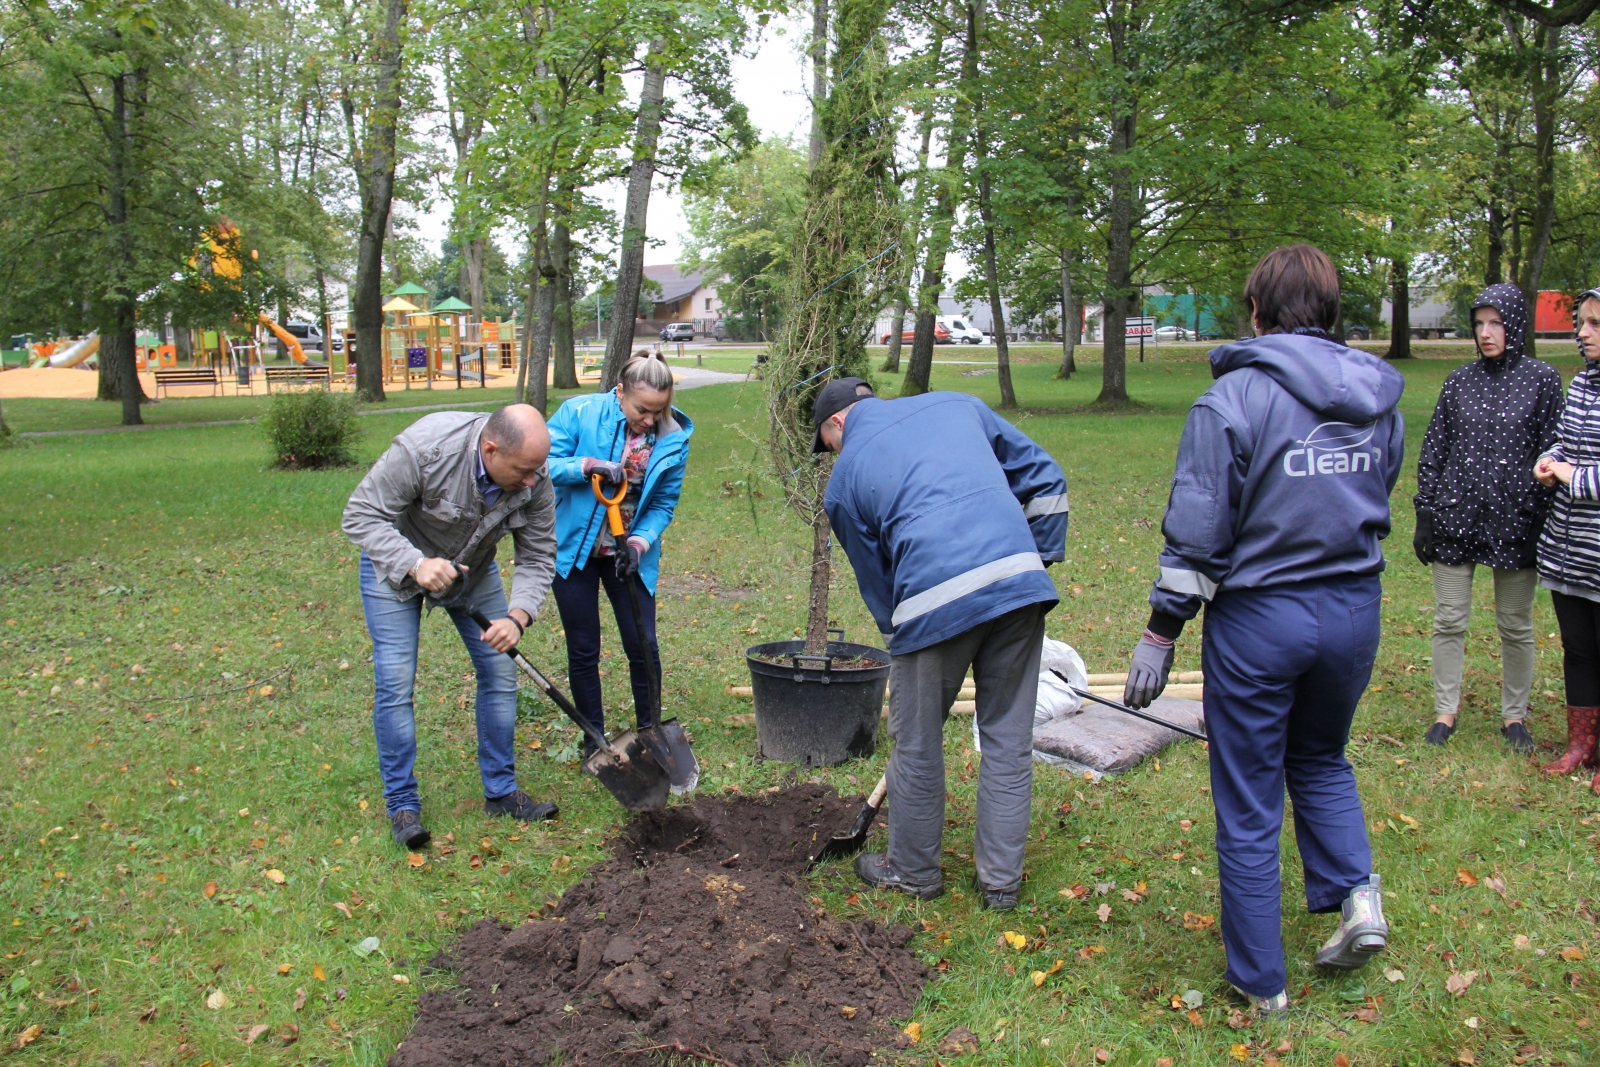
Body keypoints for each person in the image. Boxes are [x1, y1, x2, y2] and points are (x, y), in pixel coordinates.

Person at [1121, 245, 1404, 1013]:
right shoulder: (1381, 398)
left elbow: (1198, 534)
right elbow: (1383, 482)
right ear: (1330, 310)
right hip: (1354, 613)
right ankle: (1359, 899)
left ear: (1257, 312)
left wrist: (1159, 632)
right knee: (1320, 756)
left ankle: (1260, 982)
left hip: (1262, 620)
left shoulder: (1233, 400)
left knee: (1248, 799)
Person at [816, 376, 1069, 912]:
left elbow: (876, 581)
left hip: (931, 603)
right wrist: (1035, 560)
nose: (832, 454)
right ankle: (1000, 883)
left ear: (838, 423)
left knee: (916, 740)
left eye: (827, 443)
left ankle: (912, 872)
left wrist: (902, 640)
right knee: (1006, 736)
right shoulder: (960, 404)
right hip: (1019, 588)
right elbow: (1045, 475)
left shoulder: (841, 485)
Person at [343, 404, 560, 849]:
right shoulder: (426, 449)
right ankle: (403, 805)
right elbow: (361, 514)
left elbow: (538, 557)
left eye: (537, 470)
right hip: (394, 571)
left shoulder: (534, 476)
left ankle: (501, 794)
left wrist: (517, 618)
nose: (532, 482)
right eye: (522, 470)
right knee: (396, 681)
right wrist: (415, 564)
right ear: (490, 449)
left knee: (501, 674)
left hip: (473, 572)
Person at [1413, 283, 1561, 750]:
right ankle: (1445, 711)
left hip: (1517, 520)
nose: (1486, 333)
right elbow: (1435, 448)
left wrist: (1544, 515)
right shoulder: (1458, 381)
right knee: (1450, 618)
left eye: (1496, 322)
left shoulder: (1542, 379)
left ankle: (1514, 716)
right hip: (1457, 515)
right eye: (1479, 323)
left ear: (1514, 324)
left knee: (1515, 623)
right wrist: (1426, 514)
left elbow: (1555, 451)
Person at [546, 351, 692, 755]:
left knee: (643, 643)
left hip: (628, 554)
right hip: (575, 550)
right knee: (584, 646)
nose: (649, 420)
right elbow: (541, 463)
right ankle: (594, 739)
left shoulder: (672, 437)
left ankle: (652, 732)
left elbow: (663, 503)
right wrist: (587, 465)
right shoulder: (579, 413)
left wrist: (639, 542)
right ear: (620, 391)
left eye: (658, 411)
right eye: (641, 409)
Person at [1534, 286, 1600, 791]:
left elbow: (1584, 467)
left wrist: (1571, 474)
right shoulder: (1581, 385)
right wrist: (1550, 458)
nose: (1582, 332)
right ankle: (1581, 745)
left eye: (1595, 323)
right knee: (1578, 649)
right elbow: (1567, 440)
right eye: (1582, 322)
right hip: (1568, 548)